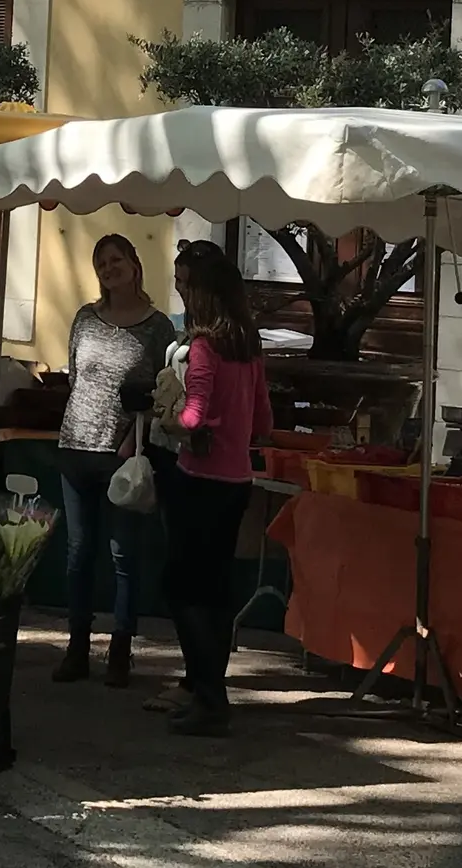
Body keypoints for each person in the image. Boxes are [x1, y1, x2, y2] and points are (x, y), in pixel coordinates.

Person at [52, 232, 178, 688]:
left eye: (116, 259)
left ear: (134, 263)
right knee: (78, 553)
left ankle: (121, 649)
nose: (109, 268)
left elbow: (165, 390)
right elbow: (73, 376)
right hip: (75, 446)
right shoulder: (85, 319)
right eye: (102, 262)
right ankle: (77, 648)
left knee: (123, 554)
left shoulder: (158, 326)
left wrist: (132, 434)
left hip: (122, 454)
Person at [157, 242, 271, 735]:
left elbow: (193, 416)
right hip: (237, 481)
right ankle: (211, 691)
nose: (179, 290)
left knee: (182, 589)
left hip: (198, 482)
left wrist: (171, 417)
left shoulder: (203, 348)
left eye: (185, 283)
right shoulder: (248, 347)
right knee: (218, 590)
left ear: (204, 292)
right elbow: (264, 420)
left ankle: (207, 693)